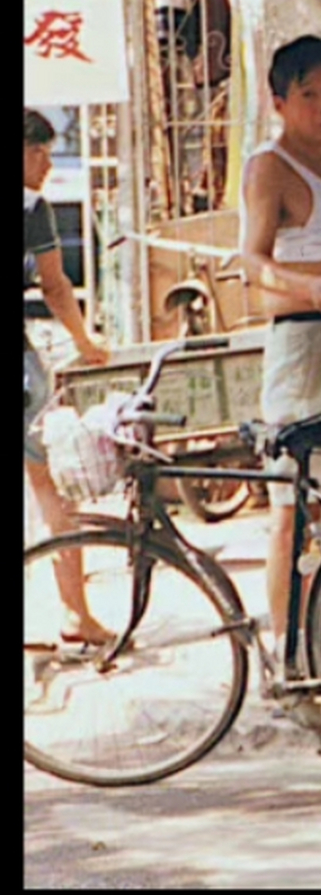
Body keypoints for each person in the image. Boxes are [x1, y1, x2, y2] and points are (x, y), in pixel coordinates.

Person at [238, 37, 321, 663]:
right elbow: (252, 263)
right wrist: (309, 285)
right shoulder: (271, 167)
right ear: (279, 103)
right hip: (307, 348)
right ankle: (290, 655)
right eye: (309, 95)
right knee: (294, 508)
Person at [24, 109, 112, 645]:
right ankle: (76, 613)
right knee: (51, 483)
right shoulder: (32, 208)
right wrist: (86, 344)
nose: (48, 164)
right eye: (39, 152)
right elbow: (56, 285)